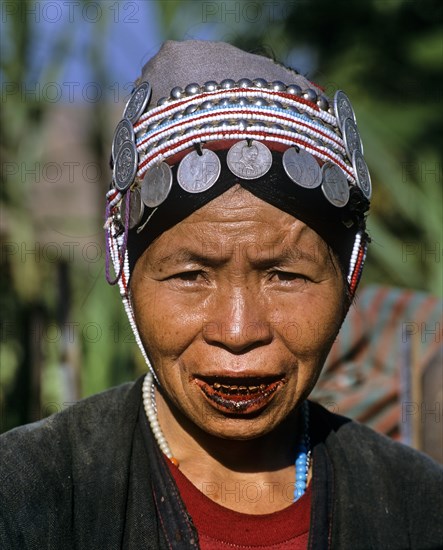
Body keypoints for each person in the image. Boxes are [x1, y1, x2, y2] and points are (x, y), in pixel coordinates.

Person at [1, 40, 442, 550]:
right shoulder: (29, 497)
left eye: (285, 276)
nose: (238, 331)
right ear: (125, 271)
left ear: (350, 277)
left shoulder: (416, 508)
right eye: (191, 275)